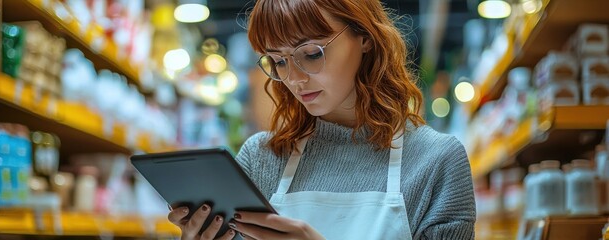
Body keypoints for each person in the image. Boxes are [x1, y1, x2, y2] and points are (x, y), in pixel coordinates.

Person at [167, 0, 476, 239]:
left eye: (311, 54)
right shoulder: (261, 158)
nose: (295, 78)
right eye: (278, 61)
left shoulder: (436, 162)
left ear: (364, 36)